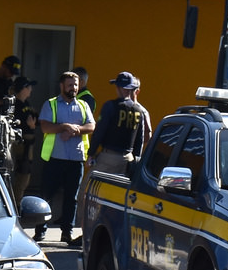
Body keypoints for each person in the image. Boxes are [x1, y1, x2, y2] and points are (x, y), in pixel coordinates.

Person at [34, 71, 93, 246]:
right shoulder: (51, 104)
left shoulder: (83, 105)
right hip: (55, 158)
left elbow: (91, 126)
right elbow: (45, 127)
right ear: (62, 86)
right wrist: (63, 127)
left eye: (75, 85)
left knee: (71, 198)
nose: (73, 88)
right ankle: (40, 231)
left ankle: (67, 232)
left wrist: (75, 129)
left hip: (76, 159)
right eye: (70, 85)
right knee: (47, 196)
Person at [88, 72, 152, 234]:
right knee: (118, 199)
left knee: (89, 193)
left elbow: (100, 131)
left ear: (118, 88)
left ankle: (88, 232)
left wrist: (91, 153)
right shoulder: (139, 110)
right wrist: (135, 161)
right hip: (128, 158)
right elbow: (140, 138)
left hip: (108, 157)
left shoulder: (110, 106)